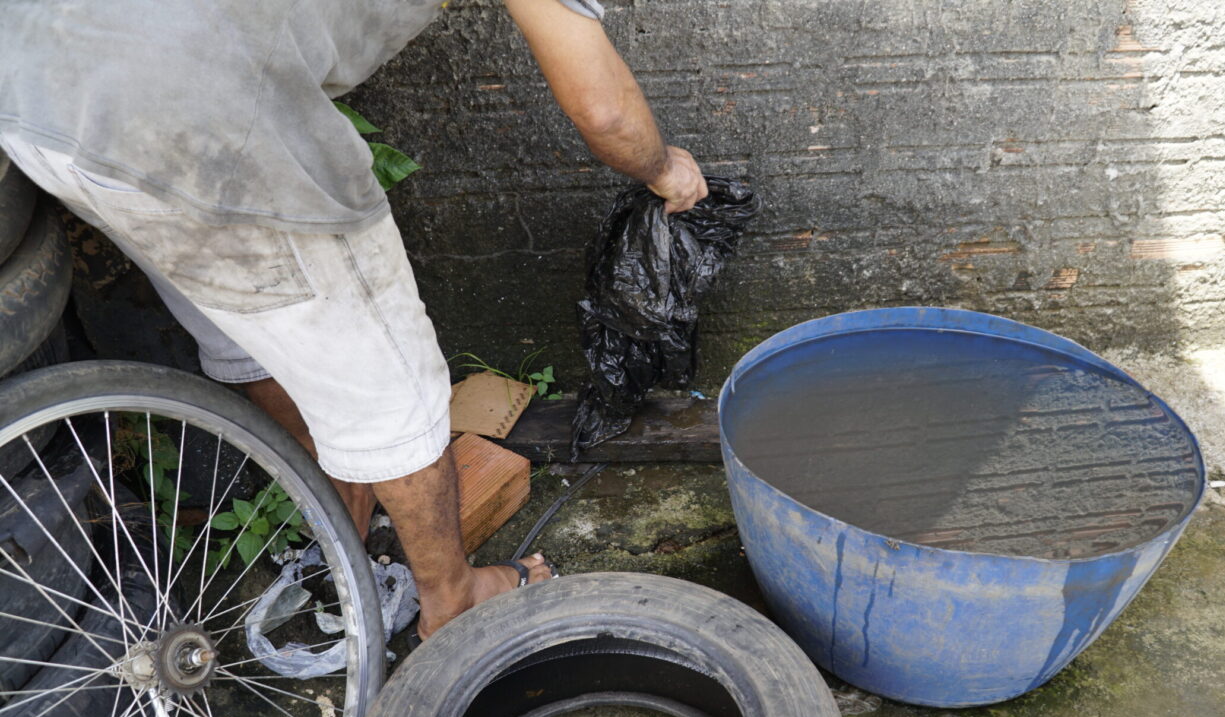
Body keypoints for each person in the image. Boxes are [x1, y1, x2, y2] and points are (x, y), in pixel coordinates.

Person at [0, 0, 708, 640]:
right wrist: (663, 168)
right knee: (393, 389)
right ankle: (452, 601)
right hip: (198, 120)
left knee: (258, 325)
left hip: (41, 101)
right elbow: (606, 112)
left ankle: (339, 523)